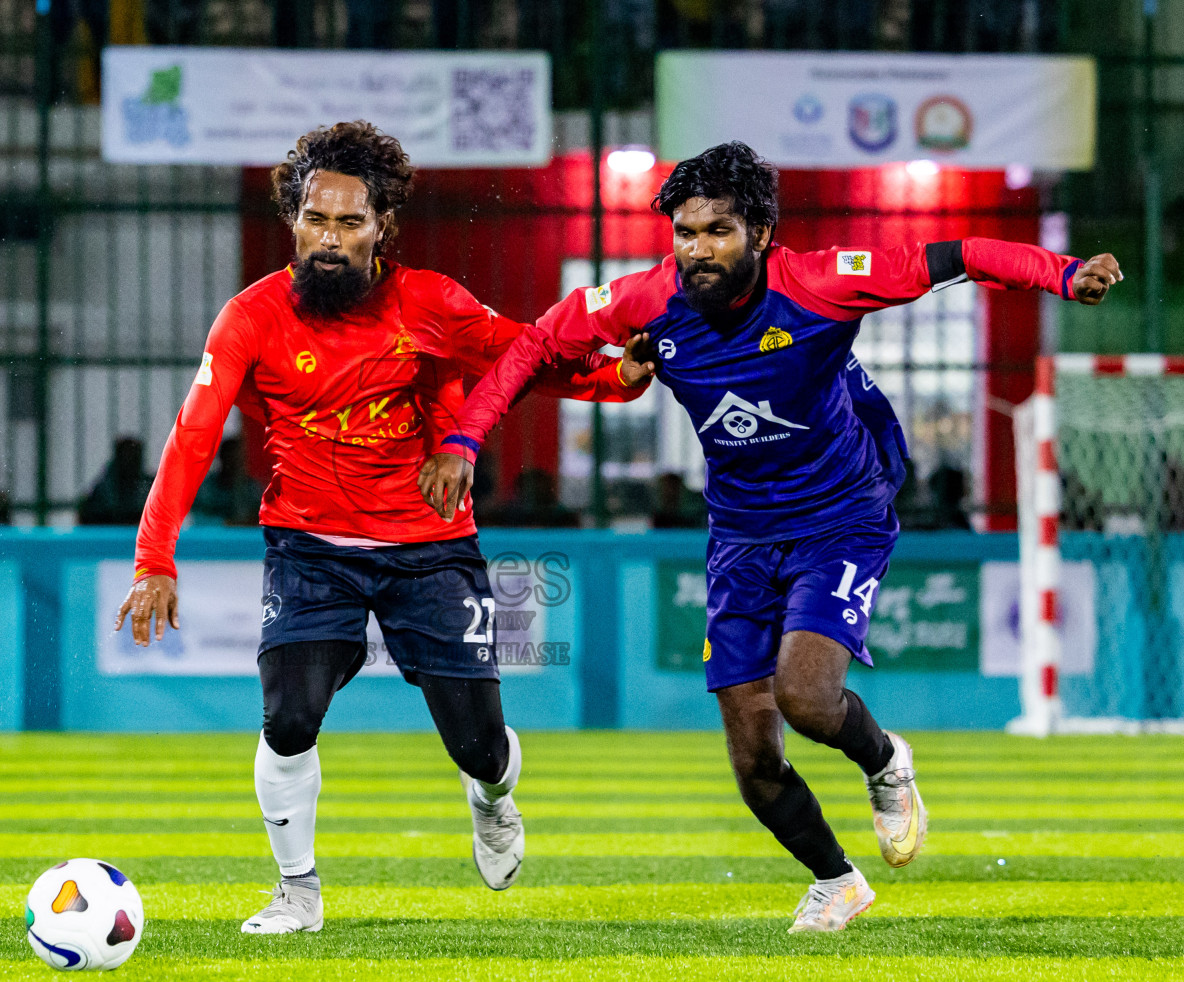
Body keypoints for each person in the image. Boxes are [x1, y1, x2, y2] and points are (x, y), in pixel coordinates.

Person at [422, 141, 1121, 933]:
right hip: (741, 536)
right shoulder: (646, 300)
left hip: (838, 517)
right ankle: (838, 881)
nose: (696, 251)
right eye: (684, 233)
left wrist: (1060, 275)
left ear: (760, 231)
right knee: (753, 755)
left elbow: (958, 256)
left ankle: (885, 762)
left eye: (716, 231)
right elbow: (535, 346)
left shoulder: (819, 282)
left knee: (807, 697)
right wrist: (464, 442)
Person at [114, 121, 653, 936]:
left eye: (348, 223)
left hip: (430, 548)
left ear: (382, 226)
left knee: (478, 746)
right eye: (313, 220)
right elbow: (192, 438)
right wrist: (154, 558)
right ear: (293, 219)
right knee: (288, 719)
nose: (327, 239)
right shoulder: (250, 317)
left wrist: (614, 378)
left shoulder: (430, 303)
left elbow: (523, 359)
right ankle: (297, 892)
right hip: (310, 548)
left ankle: (494, 796)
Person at [78, 437, 154, 526]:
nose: (129, 459)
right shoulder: (104, 490)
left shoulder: (148, 487)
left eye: (132, 454)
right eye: (125, 454)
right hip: (107, 537)